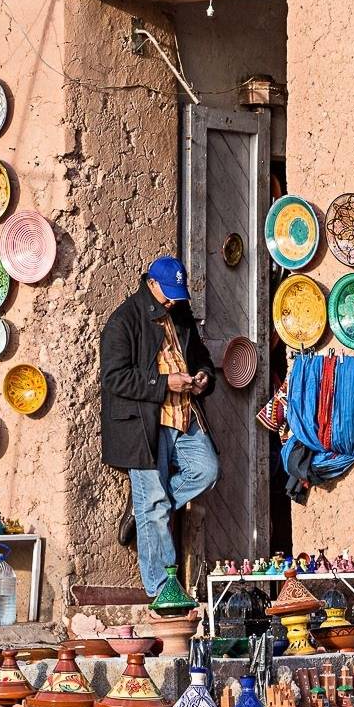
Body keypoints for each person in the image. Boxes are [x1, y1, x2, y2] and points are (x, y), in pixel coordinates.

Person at [99, 255, 219, 597]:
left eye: (175, 295)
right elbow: (113, 377)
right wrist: (165, 383)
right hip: (143, 424)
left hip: (183, 415)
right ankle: (162, 590)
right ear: (150, 283)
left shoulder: (179, 314)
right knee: (154, 505)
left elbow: (201, 359)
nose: (171, 301)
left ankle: (142, 510)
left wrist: (202, 378)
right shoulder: (123, 320)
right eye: (166, 293)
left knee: (206, 471)